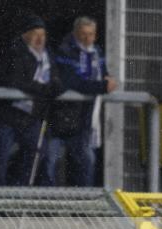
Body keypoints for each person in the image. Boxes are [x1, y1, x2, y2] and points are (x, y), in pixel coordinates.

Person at [0, 15, 64, 186]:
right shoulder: (14, 52)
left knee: (38, 156)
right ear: (25, 35)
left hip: (31, 117)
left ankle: (19, 198)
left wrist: (54, 88)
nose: (40, 39)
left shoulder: (48, 56)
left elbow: (57, 82)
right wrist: (46, 90)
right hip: (6, 115)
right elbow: (18, 80)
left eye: (43, 35)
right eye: (35, 34)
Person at [45, 16, 117, 187]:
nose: (87, 39)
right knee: (49, 161)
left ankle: (83, 208)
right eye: (83, 34)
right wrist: (102, 86)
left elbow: (102, 74)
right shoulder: (64, 51)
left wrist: (107, 79)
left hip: (84, 120)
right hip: (61, 118)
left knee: (87, 161)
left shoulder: (97, 52)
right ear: (75, 33)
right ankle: (45, 208)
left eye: (91, 34)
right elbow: (73, 81)